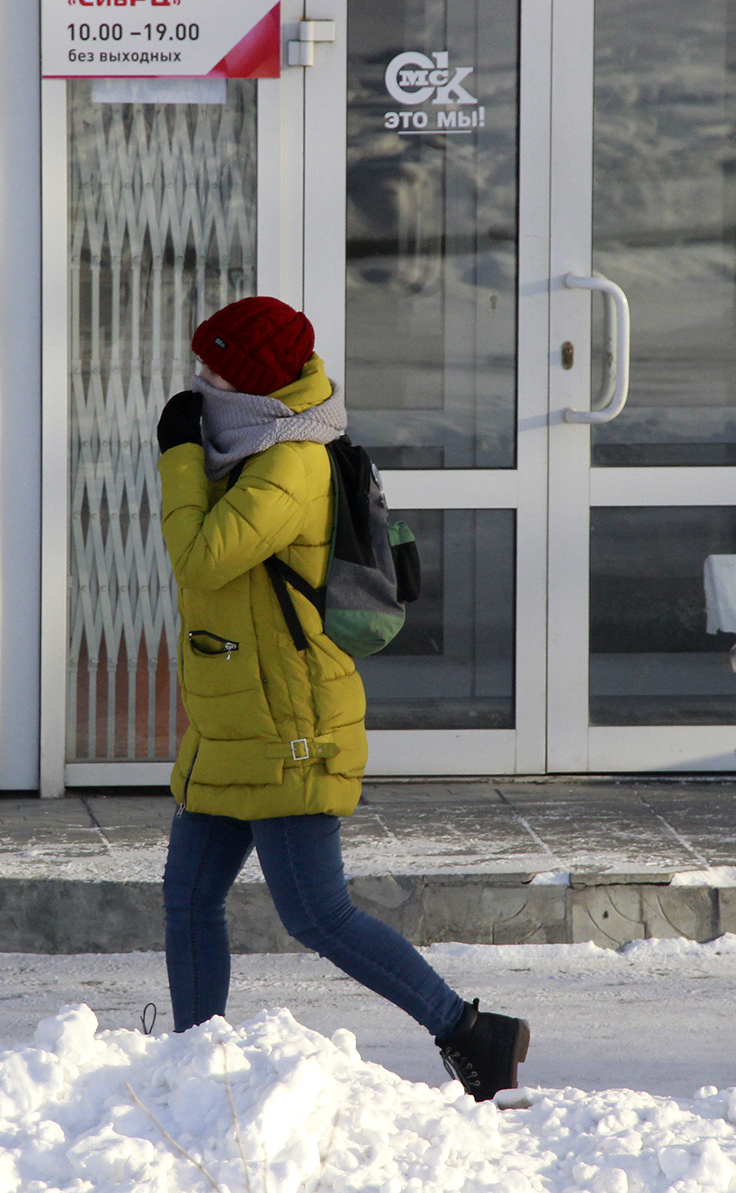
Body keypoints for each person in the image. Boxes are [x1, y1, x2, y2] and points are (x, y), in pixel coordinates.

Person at [154, 295, 531, 1102]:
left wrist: (178, 455)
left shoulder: (287, 461)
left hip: (287, 720)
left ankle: (471, 1031)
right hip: (233, 713)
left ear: (253, 382)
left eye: (215, 368)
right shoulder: (249, 440)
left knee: (318, 916)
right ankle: (192, 1065)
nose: (200, 379)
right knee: (188, 900)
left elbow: (200, 556)